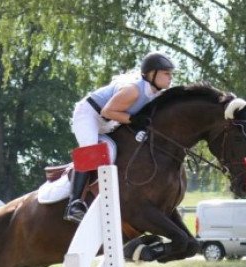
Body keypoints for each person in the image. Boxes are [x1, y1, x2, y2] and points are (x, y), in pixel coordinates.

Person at [64, 51, 175, 223]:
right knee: (91, 151)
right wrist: (133, 119)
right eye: (166, 73)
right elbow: (106, 111)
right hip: (89, 115)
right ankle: (74, 204)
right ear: (152, 74)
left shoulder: (156, 94)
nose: (170, 78)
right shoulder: (133, 90)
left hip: (109, 122)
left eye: (171, 74)